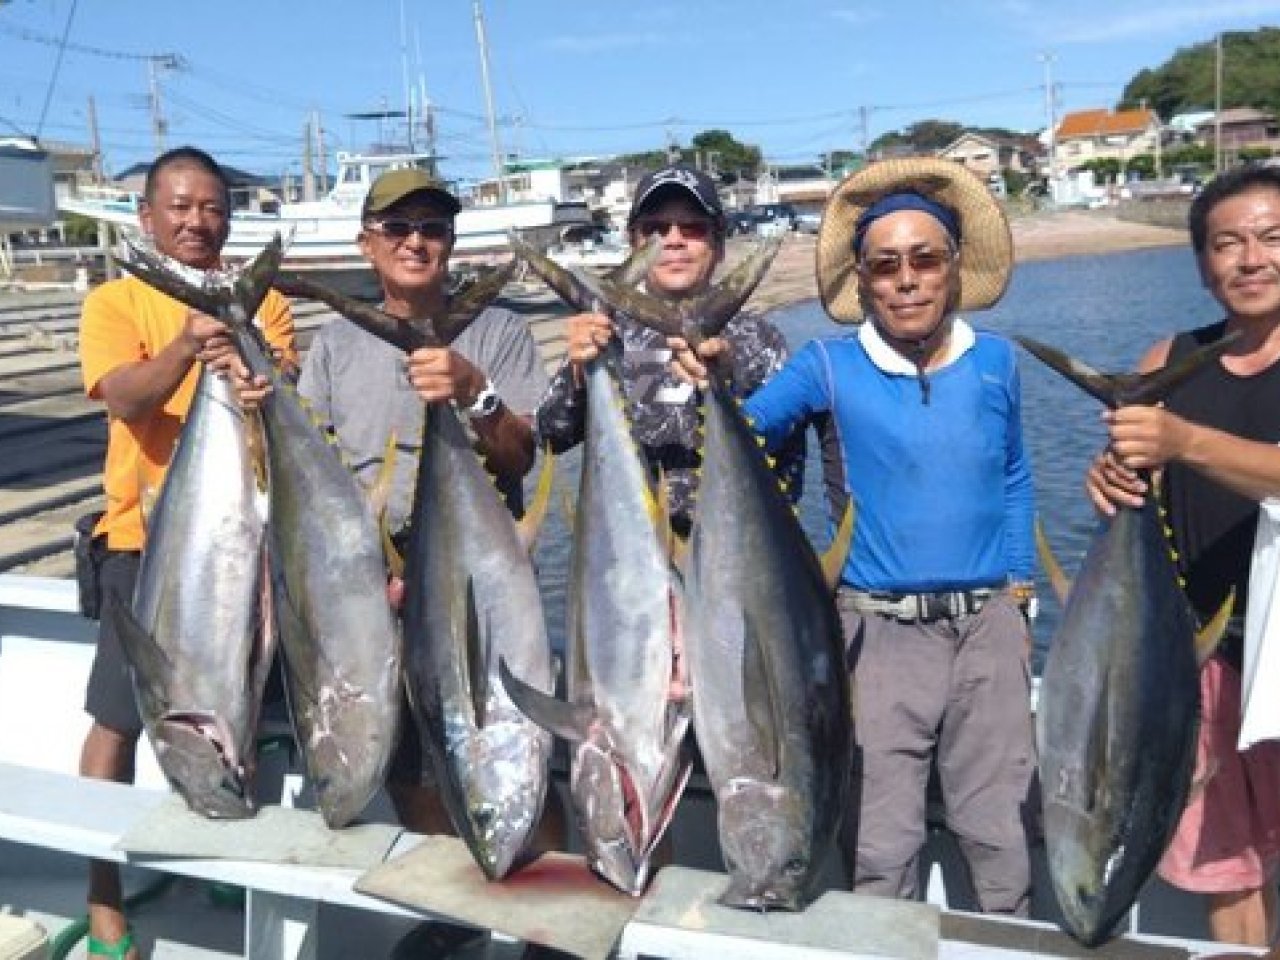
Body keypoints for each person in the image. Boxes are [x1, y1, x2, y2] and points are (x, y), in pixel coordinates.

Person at [673, 157, 1038, 914]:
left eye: (925, 258)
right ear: (865, 280)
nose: (907, 279)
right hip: (875, 636)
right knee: (880, 840)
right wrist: (714, 372)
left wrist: (1021, 585)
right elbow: (749, 428)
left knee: (999, 829)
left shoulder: (997, 363)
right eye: (885, 264)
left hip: (990, 627)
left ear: (954, 267)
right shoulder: (826, 367)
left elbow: (1015, 477)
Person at [77, 145, 297, 960]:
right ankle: (104, 907)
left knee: (244, 706)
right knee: (114, 721)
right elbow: (126, 399)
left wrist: (250, 369)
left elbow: (283, 399)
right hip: (144, 546)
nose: (197, 220)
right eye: (179, 205)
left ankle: (218, 850)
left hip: (242, 544)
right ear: (146, 216)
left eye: (211, 207)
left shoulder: (263, 303)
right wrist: (188, 344)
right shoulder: (114, 301)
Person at [292, 167, 551, 836]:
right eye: (398, 227)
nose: (415, 241)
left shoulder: (499, 333)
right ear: (366, 244)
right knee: (411, 763)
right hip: (369, 587)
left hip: (478, 578)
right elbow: (317, 477)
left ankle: (528, 921)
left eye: (432, 229)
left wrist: (475, 392)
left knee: (514, 728)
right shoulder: (335, 345)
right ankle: (449, 910)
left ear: (450, 243)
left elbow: (522, 457)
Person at [1086, 164, 1280, 948]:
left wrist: (1185, 441)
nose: (1250, 258)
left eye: (1271, 238)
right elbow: (1138, 467)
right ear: (1201, 265)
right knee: (1227, 865)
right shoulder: (1171, 356)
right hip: (1197, 656)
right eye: (1226, 243)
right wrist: (1109, 473)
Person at [536, 163, 806, 536]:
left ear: (719, 242)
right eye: (656, 229)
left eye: (692, 228)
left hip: (736, 548)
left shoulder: (760, 339)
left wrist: (730, 382)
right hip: (637, 556)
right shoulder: (607, 335)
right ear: (634, 243)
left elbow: (791, 457)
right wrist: (579, 373)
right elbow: (550, 437)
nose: (674, 240)